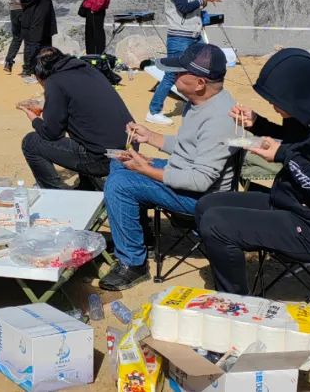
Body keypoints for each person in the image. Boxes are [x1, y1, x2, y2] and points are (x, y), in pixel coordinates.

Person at [194, 48, 310, 295]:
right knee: (206, 205)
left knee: (215, 223)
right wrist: (258, 123)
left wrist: (283, 155)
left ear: (298, 95)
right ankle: (234, 271)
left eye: (278, 100)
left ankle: (235, 302)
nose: (273, 105)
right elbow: (300, 142)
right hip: (292, 205)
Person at [100, 44, 238, 291]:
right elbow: (190, 146)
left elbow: (200, 181)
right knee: (120, 164)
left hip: (204, 198)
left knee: (121, 184)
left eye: (178, 72)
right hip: (186, 174)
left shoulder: (218, 118)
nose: (171, 76)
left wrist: (146, 170)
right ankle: (141, 237)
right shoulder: (200, 102)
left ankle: (132, 264)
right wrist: (150, 136)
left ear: (199, 83)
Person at [18, 47, 133, 190]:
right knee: (82, 131)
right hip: (129, 149)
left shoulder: (54, 82)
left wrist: (34, 119)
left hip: (103, 159)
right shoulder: (88, 69)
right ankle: (87, 187)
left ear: (41, 75)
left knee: (31, 143)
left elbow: (52, 133)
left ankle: (56, 192)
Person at [147, 0, 224, 125]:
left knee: (196, 71)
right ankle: (154, 110)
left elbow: (196, 6)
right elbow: (184, 7)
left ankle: (197, 107)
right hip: (180, 36)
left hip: (194, 33)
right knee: (171, 74)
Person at [3, 0, 25, 74]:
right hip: (26, 9)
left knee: (16, 38)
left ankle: (8, 62)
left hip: (14, 9)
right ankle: (29, 67)